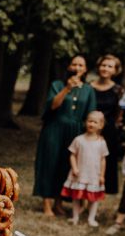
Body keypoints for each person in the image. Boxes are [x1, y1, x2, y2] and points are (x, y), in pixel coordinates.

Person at [34, 55, 95, 216]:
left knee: (65, 165)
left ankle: (58, 202)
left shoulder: (89, 89)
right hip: (54, 128)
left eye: (81, 65)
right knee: (50, 163)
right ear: (69, 67)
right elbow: (53, 106)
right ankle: (46, 203)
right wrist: (67, 88)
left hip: (75, 132)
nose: (77, 67)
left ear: (85, 69)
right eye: (74, 64)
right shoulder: (58, 84)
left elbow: (90, 114)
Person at [62, 110, 109, 226]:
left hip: (94, 175)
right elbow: (72, 155)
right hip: (80, 173)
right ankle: (75, 217)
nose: (91, 124)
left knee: (93, 198)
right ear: (85, 122)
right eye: (89, 121)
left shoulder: (101, 142)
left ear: (101, 125)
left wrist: (102, 175)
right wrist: (74, 168)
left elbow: (103, 159)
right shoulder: (79, 139)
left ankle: (91, 218)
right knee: (76, 197)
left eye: (95, 122)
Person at [91, 54, 122, 195]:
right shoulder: (89, 86)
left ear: (115, 70)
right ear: (98, 67)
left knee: (103, 165)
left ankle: (97, 197)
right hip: (89, 129)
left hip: (108, 132)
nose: (106, 68)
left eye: (110, 66)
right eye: (103, 65)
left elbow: (119, 114)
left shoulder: (118, 90)